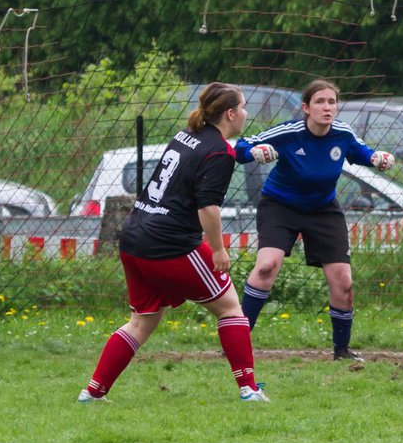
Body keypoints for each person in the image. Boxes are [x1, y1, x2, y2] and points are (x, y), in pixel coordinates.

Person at [78, 83, 267, 403]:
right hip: (170, 244)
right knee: (231, 308)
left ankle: (93, 393)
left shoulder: (186, 135)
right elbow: (207, 207)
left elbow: (204, 162)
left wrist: (249, 152)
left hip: (134, 237)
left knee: (142, 321)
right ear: (231, 113)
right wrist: (219, 250)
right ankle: (249, 390)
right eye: (244, 107)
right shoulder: (219, 151)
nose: (246, 113)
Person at [236, 79, 395, 362]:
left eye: (332, 102)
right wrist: (254, 152)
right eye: (320, 102)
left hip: (322, 210)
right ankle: (237, 342)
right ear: (306, 108)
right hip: (280, 206)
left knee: (344, 282)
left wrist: (379, 158)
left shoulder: (342, 134)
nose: (327, 107)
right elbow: (241, 147)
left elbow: (363, 153)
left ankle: (342, 351)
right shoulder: (290, 132)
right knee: (266, 267)